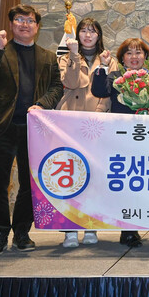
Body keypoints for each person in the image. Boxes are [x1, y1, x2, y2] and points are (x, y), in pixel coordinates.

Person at [0, 4, 63, 256]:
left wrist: (42, 104)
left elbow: (57, 87)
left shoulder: (47, 57)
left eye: (30, 20)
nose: (24, 24)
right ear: (12, 24)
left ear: (37, 26)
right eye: (19, 19)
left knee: (29, 185)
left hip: (33, 129)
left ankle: (22, 232)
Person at [92, 37, 149, 247]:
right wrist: (102, 66)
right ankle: (128, 230)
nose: (134, 57)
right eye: (129, 53)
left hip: (148, 137)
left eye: (138, 52)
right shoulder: (116, 77)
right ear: (122, 58)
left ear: (145, 56)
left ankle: (139, 222)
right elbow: (99, 91)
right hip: (122, 138)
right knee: (127, 182)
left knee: (143, 182)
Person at [56, 17, 116, 248]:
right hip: (70, 124)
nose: (88, 35)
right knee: (70, 176)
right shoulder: (65, 58)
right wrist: (73, 55)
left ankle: (91, 226)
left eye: (93, 31)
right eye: (83, 31)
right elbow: (73, 83)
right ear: (77, 34)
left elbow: (110, 92)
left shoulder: (109, 59)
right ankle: (70, 230)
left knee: (94, 178)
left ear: (99, 35)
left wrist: (98, 115)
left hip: (97, 124)